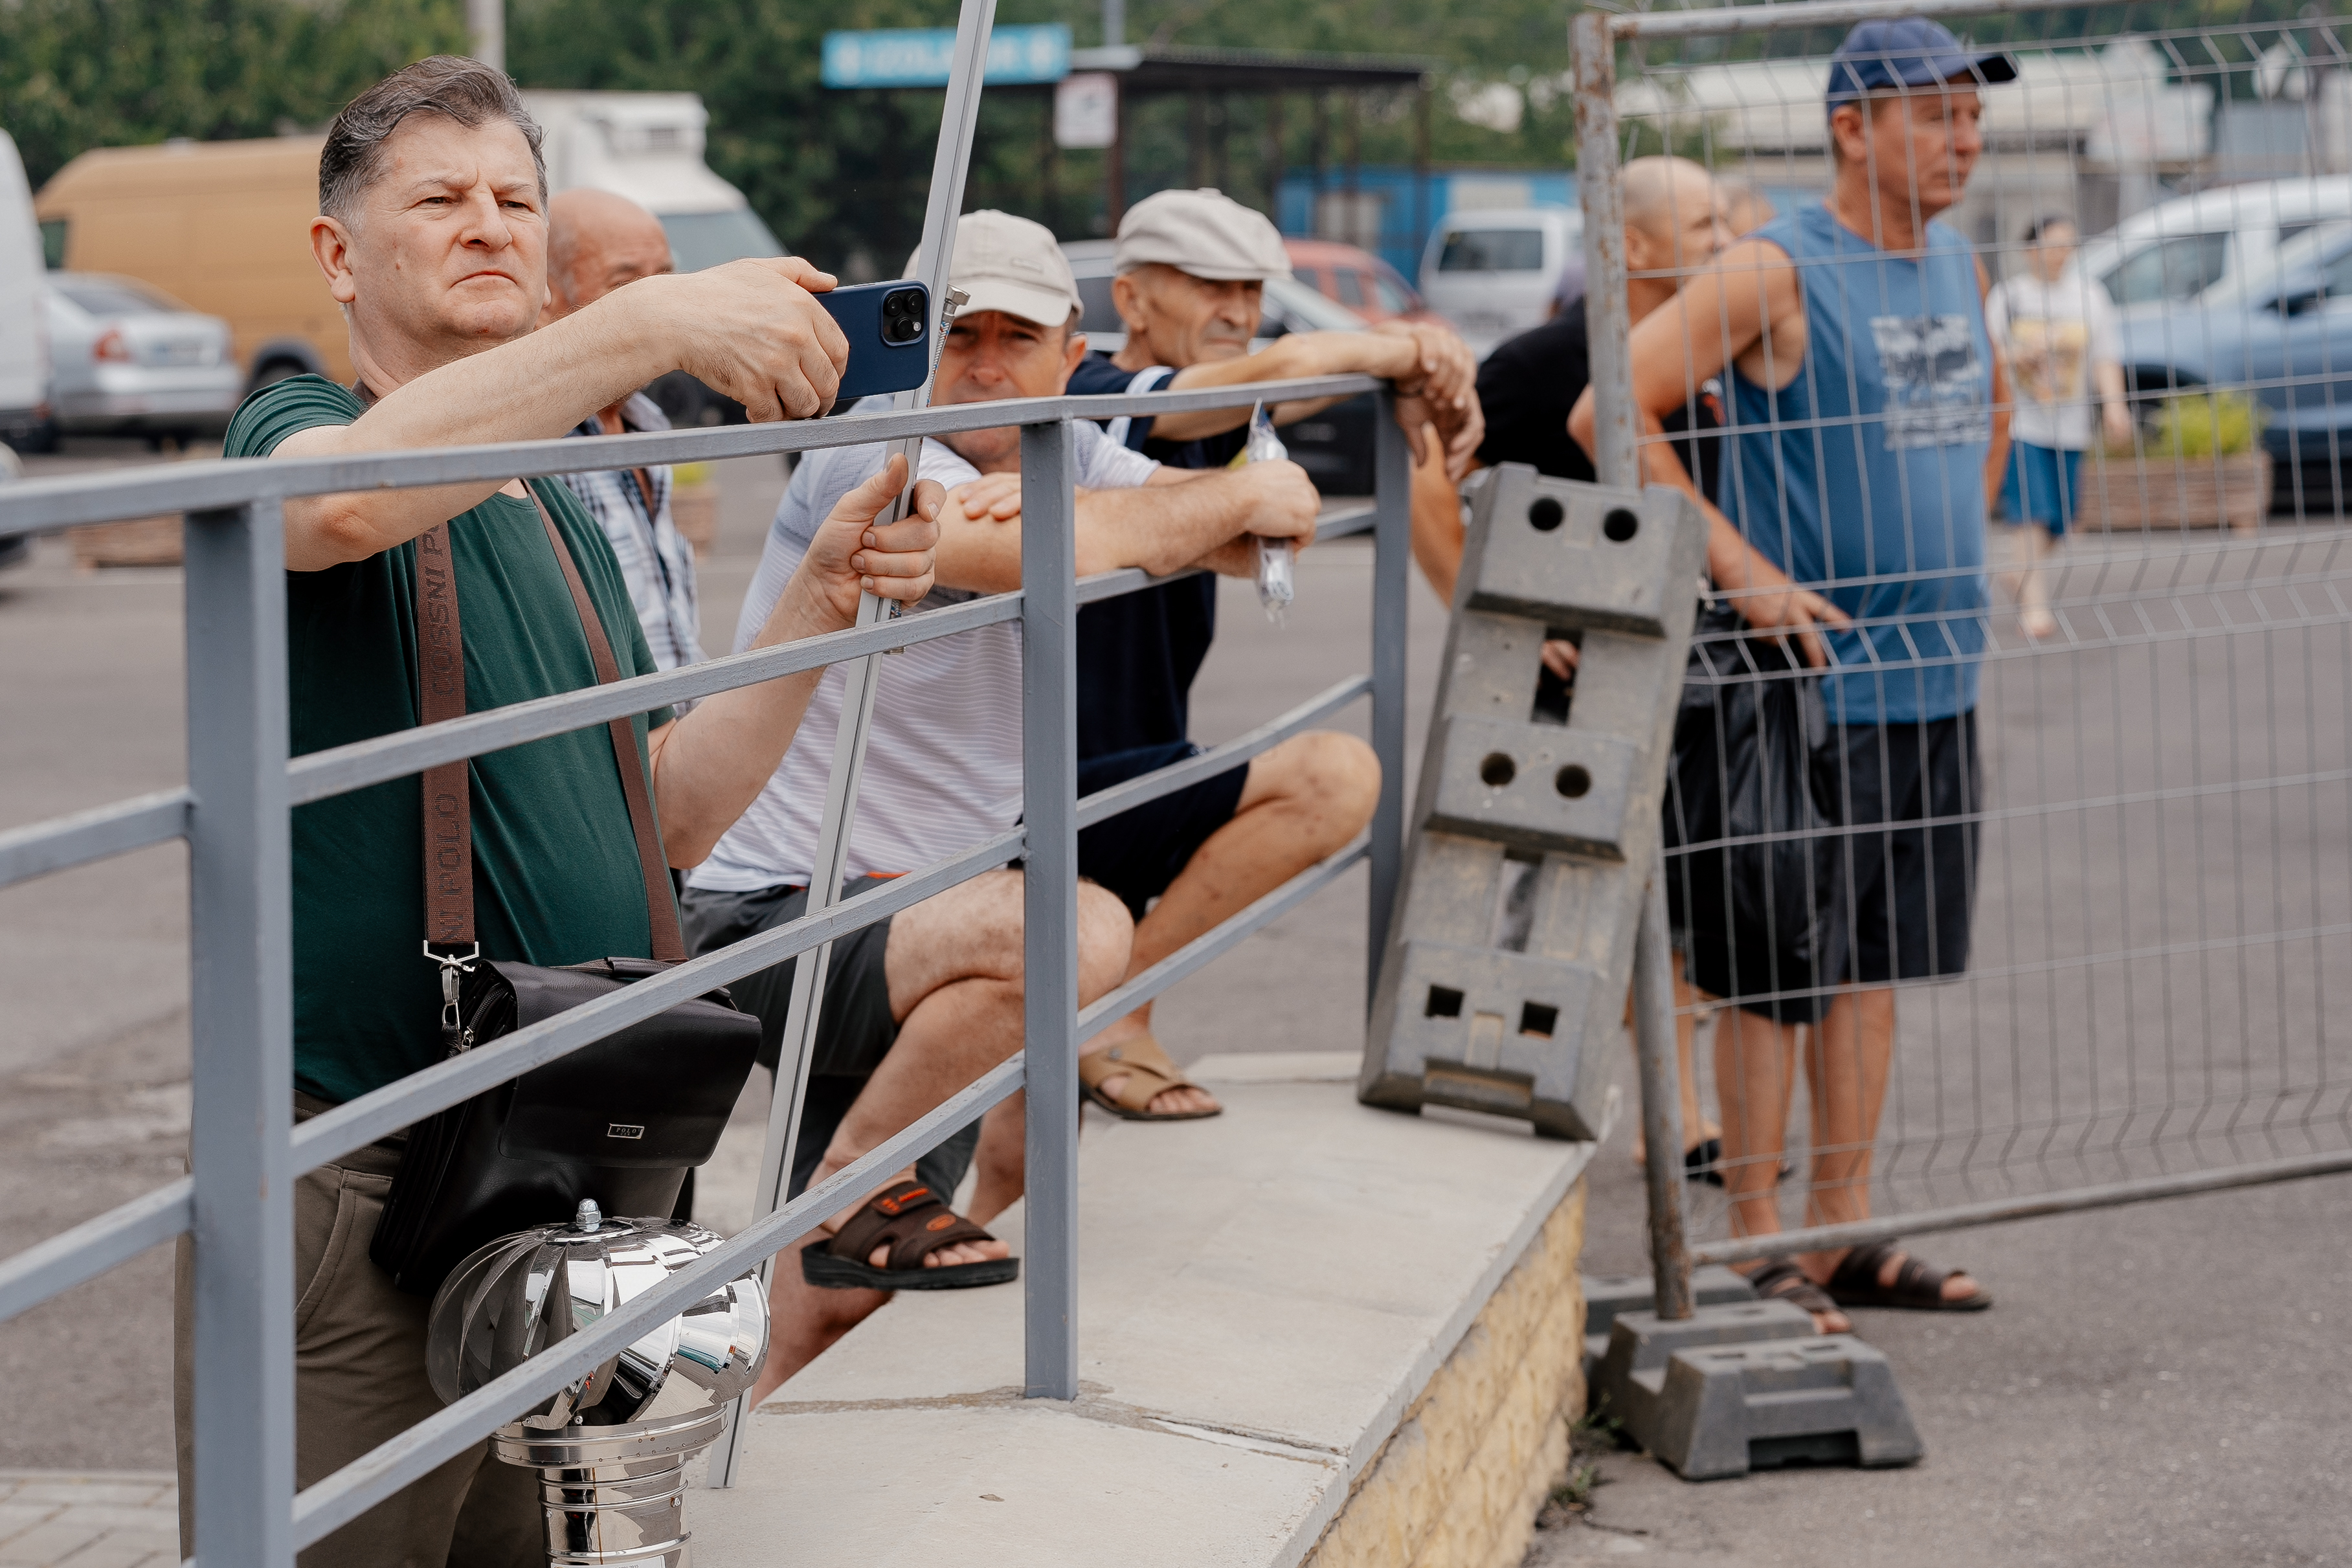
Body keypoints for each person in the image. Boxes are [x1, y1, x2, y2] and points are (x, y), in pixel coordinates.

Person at [172, 57, 939, 1567]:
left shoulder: (562, 510)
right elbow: (332, 508)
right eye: (440, 199)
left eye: (515, 200)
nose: (489, 224)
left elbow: (666, 818)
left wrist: (821, 595)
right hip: (369, 1170)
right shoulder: (297, 423)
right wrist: (649, 325)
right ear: (338, 254)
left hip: (557, 1167)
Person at [686, 210, 1326, 1400]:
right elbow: (1020, 548)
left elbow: (1261, 532)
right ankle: (859, 1182)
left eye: (1014, 338)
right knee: (1075, 930)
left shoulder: (1067, 448)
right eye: (957, 333)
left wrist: (1176, 515)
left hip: (925, 927)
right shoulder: (873, 449)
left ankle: (748, 1431)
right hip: (775, 913)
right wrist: (1188, 510)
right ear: (910, 344)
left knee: (843, 1296)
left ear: (1071, 353)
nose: (983, 364)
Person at [1571, 17, 2015, 1330]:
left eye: (1971, 119)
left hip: (1934, 676)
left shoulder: (1957, 262)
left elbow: (1990, 410)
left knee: (1875, 963)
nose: (1962, 142)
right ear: (1850, 129)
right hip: (1804, 691)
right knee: (1777, 967)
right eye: (1933, 116)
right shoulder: (1774, 269)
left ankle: (1840, 1224)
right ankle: (1756, 1235)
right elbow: (1609, 413)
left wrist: (1953, 543)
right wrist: (1743, 570)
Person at [1049, 187, 1457, 1117]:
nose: (1239, 309)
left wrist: (1421, 375)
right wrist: (1411, 347)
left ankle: (1108, 1012)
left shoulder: (1220, 412)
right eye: (1211, 285)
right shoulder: (1097, 395)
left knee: (1020, 1132)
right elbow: (1291, 363)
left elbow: (1296, 380)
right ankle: (1113, 1012)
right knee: (1334, 777)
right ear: (1133, 298)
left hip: (1137, 769)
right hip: (1045, 788)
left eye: (1252, 289)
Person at [1420, 155, 1736, 1180]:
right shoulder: (1542, 363)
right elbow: (1430, 484)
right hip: (1564, 700)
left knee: (1676, 905)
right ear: (1631, 242)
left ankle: (1675, 1119)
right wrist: (1506, 611)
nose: (1727, 240)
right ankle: (1503, 1110)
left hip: (1686, 678)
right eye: (1704, 223)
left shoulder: (1711, 353)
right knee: (1552, 905)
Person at [541, 187, 704, 673]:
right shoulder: (537, 451)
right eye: (626, 285)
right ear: (546, 297)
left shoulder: (643, 422)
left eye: (665, 280)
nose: (658, 306)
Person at [1985, 214, 2131, 638]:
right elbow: (1986, 355)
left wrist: (2115, 407)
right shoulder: (2008, 297)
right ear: (2030, 250)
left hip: (2070, 422)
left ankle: (2019, 572)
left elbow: (2105, 356)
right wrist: (2021, 355)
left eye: (2068, 245)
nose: (2061, 254)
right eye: (2052, 245)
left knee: (2062, 519)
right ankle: (2035, 608)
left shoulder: (2090, 295)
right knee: (2030, 512)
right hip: (2021, 421)